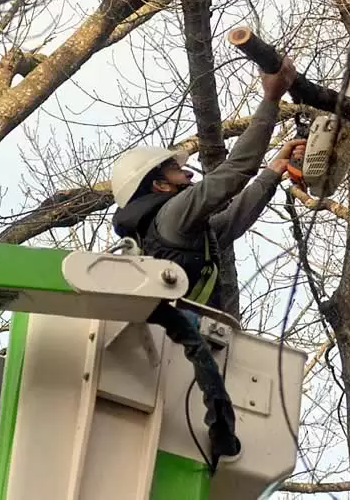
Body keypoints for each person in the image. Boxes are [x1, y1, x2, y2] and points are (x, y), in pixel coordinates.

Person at [109, 56, 305, 469]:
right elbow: (234, 173)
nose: (186, 172)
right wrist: (270, 99)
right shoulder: (174, 215)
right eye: (176, 170)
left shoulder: (186, 230)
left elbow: (234, 216)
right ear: (159, 185)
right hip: (184, 345)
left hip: (186, 347)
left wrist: (274, 169)